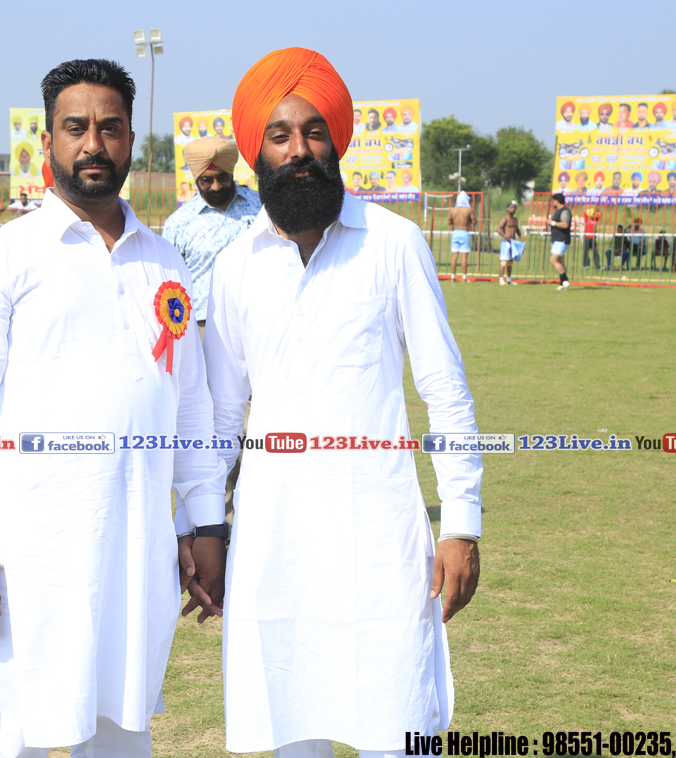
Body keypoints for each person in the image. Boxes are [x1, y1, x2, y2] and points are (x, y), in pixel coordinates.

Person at [189, 46, 483, 758]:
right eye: (280, 135)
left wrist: (462, 524)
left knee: (398, 723)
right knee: (292, 725)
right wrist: (204, 526)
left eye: (313, 132)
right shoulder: (236, 266)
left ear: (336, 141)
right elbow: (221, 414)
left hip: (379, 535)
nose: (299, 150)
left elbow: (444, 389)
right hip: (273, 539)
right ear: (257, 152)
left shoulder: (393, 243)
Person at [0, 57, 226, 758]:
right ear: (49, 141)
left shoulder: (164, 261)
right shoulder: (2, 258)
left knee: (123, 727)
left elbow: (189, 404)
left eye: (110, 128)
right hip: (35, 552)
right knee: (20, 733)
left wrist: (205, 522)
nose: (94, 144)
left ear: (131, 141)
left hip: (139, 547)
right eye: (76, 127)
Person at [161, 137, 262, 333]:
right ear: (196, 178)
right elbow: (168, 281)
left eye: (223, 178)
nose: (216, 186)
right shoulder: (178, 224)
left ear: (231, 173)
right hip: (203, 326)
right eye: (207, 180)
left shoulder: (260, 207)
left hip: (257, 318)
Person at [548, 192, 572, 289]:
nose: (552, 202)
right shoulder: (558, 211)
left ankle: (565, 280)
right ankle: (563, 284)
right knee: (560, 262)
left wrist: (552, 223)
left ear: (557, 201)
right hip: (557, 240)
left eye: (553, 200)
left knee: (553, 260)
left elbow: (565, 224)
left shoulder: (565, 211)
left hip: (562, 240)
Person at [495, 200, 522, 284]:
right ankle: (501, 279)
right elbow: (498, 229)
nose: (513, 209)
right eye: (511, 207)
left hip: (513, 242)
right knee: (504, 261)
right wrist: (505, 235)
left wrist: (521, 237)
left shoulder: (515, 220)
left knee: (510, 262)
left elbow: (517, 229)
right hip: (506, 243)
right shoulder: (505, 219)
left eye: (514, 208)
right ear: (507, 209)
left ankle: (509, 279)